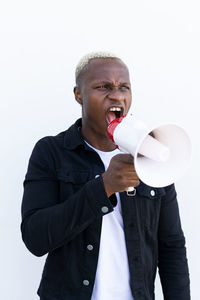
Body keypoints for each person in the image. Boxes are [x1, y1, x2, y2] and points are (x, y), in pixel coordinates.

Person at [21, 52, 190, 300]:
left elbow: (171, 247)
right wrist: (103, 188)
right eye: (103, 87)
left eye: (124, 87)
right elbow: (35, 238)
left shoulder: (151, 155)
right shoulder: (52, 152)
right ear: (79, 94)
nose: (117, 94)